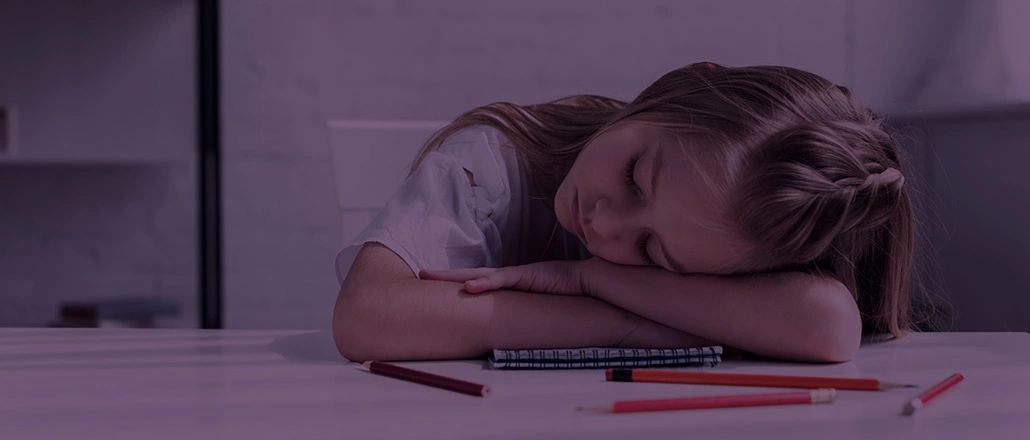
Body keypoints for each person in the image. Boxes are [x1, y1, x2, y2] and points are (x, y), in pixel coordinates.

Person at [332, 62, 925, 363]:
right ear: (682, 87)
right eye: (634, 176)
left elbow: (830, 325)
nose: (605, 224)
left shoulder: (719, 241)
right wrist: (630, 324)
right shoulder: (494, 161)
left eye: (650, 252)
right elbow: (368, 316)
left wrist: (590, 277)